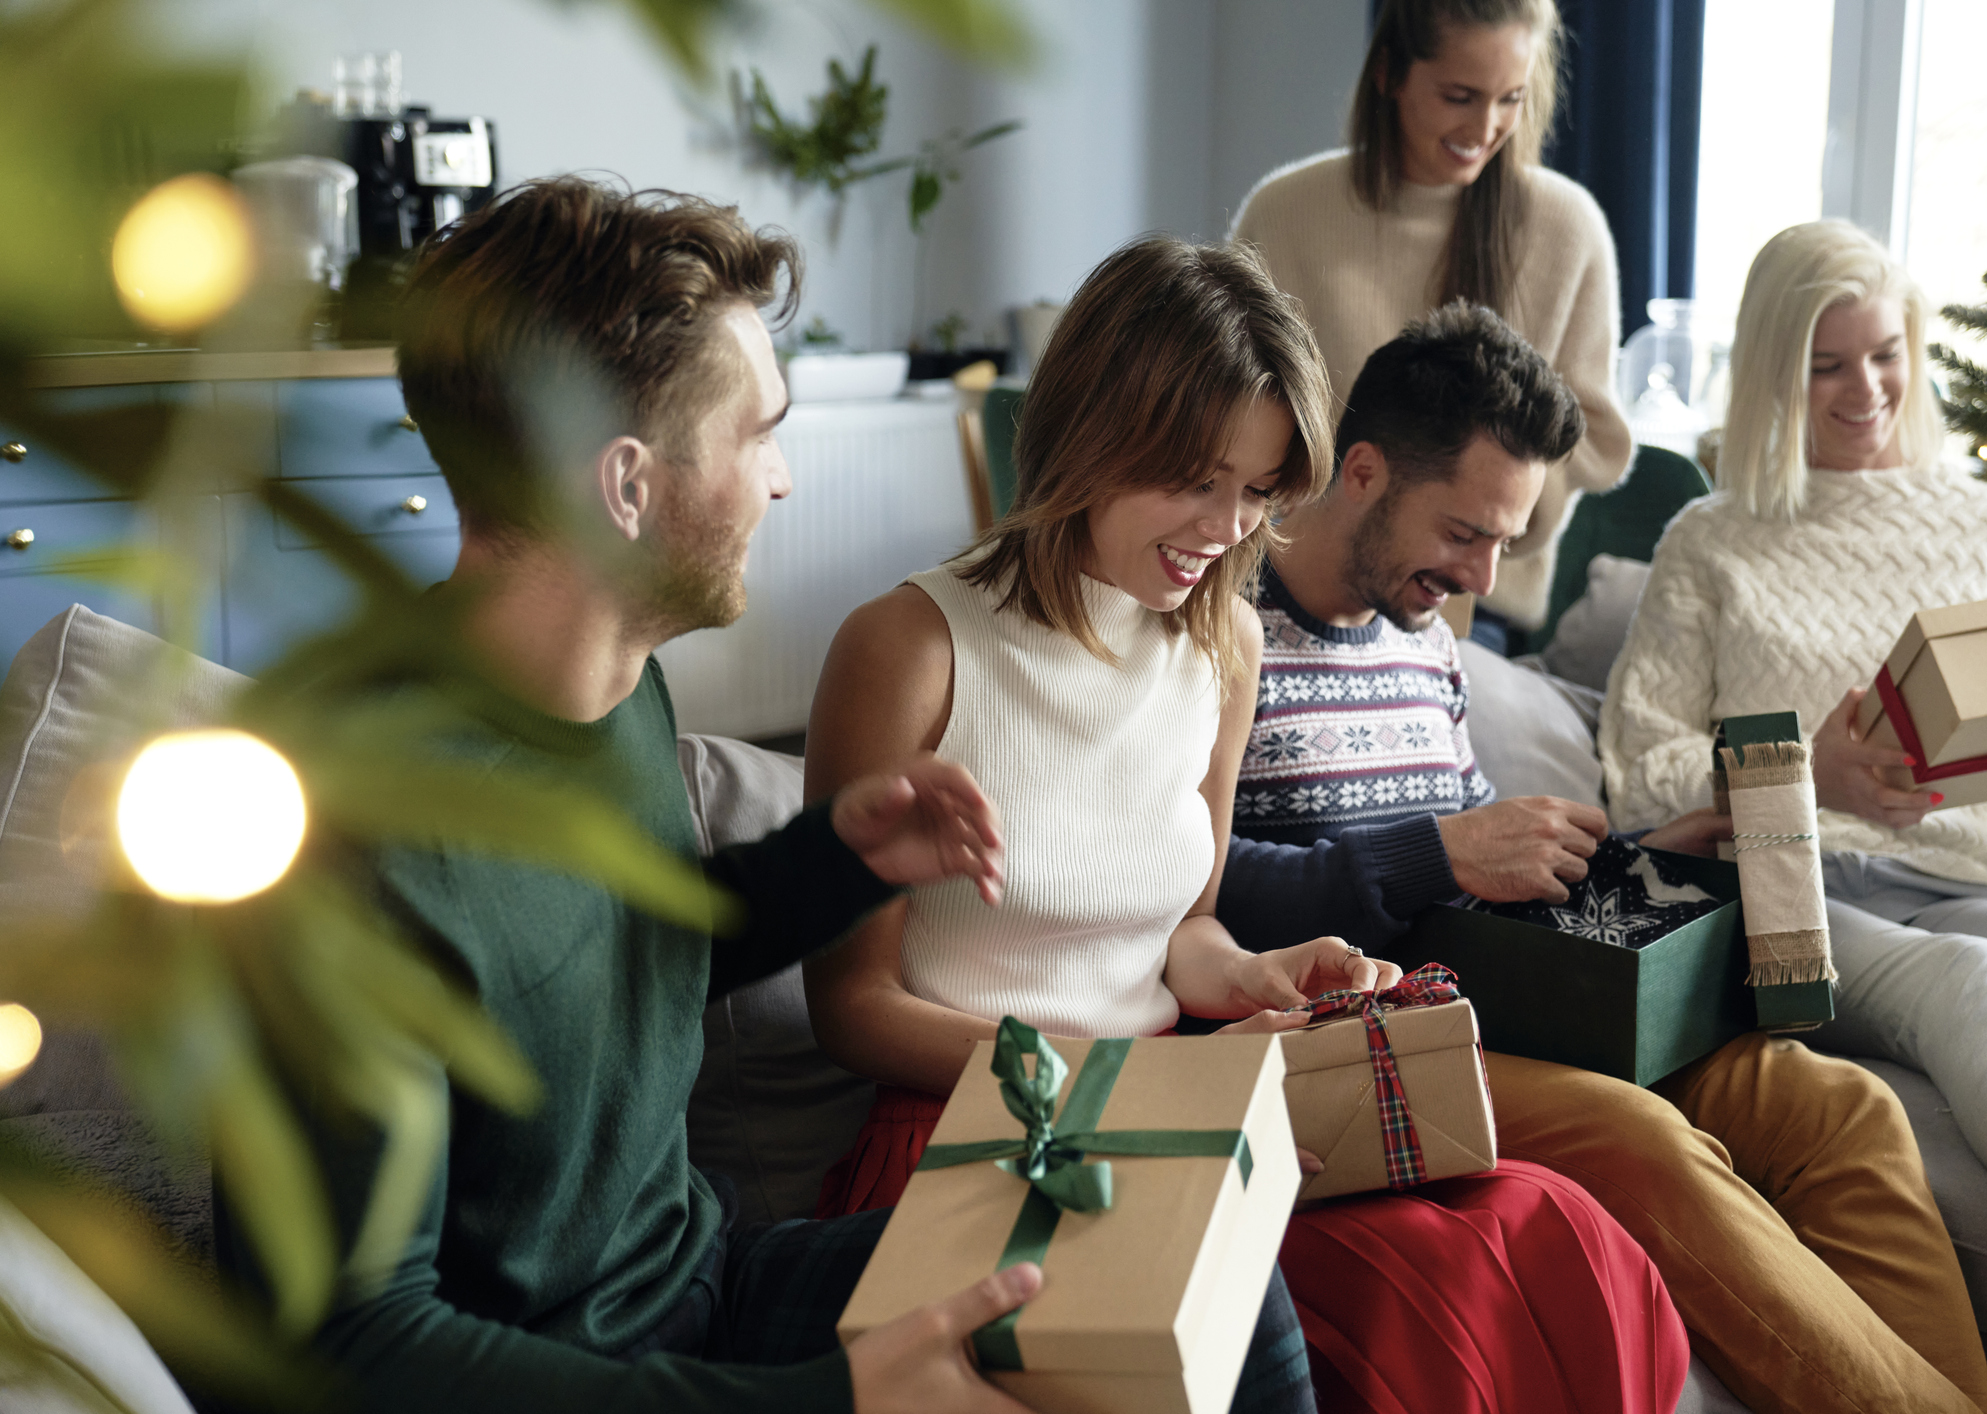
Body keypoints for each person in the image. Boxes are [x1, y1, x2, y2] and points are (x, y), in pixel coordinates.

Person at [207, 177, 1307, 1414]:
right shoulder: (345, 822)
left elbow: (618, 945)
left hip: (708, 1288)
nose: (781, 482)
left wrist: (830, 861)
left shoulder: (618, 690)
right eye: (758, 432)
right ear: (627, 486)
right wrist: (824, 1401)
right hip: (562, 1375)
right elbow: (355, 1340)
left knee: (1208, 1251)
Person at [801, 234, 1689, 1414]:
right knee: (1376, 1306)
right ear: (1090, 431)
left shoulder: (1222, 648)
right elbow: (850, 1009)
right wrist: (1131, 1085)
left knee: (1540, 1227)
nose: (1228, 527)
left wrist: (1262, 971)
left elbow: (1185, 928)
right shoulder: (906, 646)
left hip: (1178, 1095)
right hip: (978, 1127)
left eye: (1261, 490)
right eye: (1197, 479)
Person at [1218, 300, 1987, 1414]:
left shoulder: (1428, 642)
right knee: (1645, 1139)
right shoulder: (1221, 627)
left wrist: (1630, 851)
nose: (1483, 575)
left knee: (1845, 1108)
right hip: (1349, 1030)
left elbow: (1475, 858)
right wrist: (1439, 849)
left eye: (1505, 539)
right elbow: (1199, 886)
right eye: (1464, 532)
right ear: (1364, 471)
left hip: (1507, 998)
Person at [1602, 218, 1987, 1304]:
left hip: (1970, 883)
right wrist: (1806, 777)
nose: (1865, 389)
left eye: (1886, 355)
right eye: (1826, 364)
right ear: (1773, 374)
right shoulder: (1714, 535)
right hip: (1788, 901)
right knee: (1967, 984)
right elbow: (1641, 773)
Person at [1231, 0, 1629, 639]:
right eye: (1460, 95)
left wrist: (1481, 522)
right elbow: (1231, 409)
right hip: (1282, 585)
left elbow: (1597, 443)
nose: (1486, 126)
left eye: (1511, 100)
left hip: (1472, 610)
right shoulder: (1285, 213)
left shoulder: (1566, 228)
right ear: (1388, 73)